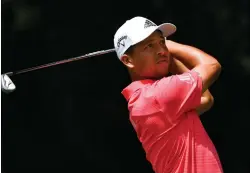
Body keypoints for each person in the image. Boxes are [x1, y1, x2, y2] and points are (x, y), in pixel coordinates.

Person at [113, 16, 223, 173]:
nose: (161, 50)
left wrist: (167, 59)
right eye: (149, 46)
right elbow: (211, 65)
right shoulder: (156, 96)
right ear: (128, 60)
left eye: (162, 42)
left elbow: (205, 99)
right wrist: (172, 46)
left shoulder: (143, 99)